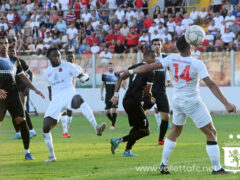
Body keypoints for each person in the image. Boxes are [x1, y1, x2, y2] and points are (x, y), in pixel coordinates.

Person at [118, 35, 236, 174]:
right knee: (211, 132)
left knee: (175, 131)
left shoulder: (171, 58)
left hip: (177, 101)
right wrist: (226, 103)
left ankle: (163, 164)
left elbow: (148, 67)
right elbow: (210, 84)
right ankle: (217, 168)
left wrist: (130, 71)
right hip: (192, 102)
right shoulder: (197, 63)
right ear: (190, 47)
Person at [44, 48, 106, 162]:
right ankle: (52, 156)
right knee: (45, 127)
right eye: (54, 56)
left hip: (69, 93)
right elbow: (50, 90)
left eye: (58, 55)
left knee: (79, 99)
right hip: (56, 100)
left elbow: (82, 76)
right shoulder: (46, 72)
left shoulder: (68, 65)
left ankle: (96, 127)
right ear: (49, 57)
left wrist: (85, 78)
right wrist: (54, 110)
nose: (57, 58)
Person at [0, 36, 45, 160]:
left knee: (22, 120)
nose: (3, 45)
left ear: (9, 45)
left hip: (13, 94)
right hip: (0, 95)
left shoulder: (15, 60)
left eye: (6, 43)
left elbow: (23, 77)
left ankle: (27, 152)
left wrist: (34, 89)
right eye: (1, 43)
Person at [110, 50, 155, 157]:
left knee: (137, 127)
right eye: (154, 59)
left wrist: (115, 95)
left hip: (126, 101)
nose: (155, 61)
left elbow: (121, 77)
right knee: (145, 131)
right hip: (135, 102)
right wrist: (151, 98)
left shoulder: (135, 66)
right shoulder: (150, 71)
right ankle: (117, 141)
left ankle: (127, 151)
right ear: (148, 58)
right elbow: (147, 91)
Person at [142, 39, 171, 145]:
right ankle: (135, 136)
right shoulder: (148, 59)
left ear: (161, 46)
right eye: (155, 44)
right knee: (141, 113)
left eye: (159, 44)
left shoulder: (166, 58)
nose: (157, 46)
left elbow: (172, 71)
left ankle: (161, 139)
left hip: (161, 91)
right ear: (151, 46)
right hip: (148, 91)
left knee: (166, 117)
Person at [8, 44, 37, 140]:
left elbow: (30, 73)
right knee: (13, 111)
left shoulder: (20, 62)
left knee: (22, 110)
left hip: (21, 88)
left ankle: (32, 131)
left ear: (16, 53)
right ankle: (18, 133)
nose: (12, 53)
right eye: (10, 52)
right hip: (11, 89)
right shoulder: (4, 63)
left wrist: (28, 87)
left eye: (13, 52)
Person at [100, 63, 119, 129]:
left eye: (111, 66)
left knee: (114, 110)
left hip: (115, 95)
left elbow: (120, 83)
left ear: (113, 67)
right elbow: (102, 85)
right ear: (107, 68)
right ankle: (112, 120)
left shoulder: (117, 75)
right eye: (109, 66)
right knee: (107, 111)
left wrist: (126, 89)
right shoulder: (104, 75)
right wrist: (101, 95)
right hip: (107, 95)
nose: (110, 67)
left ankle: (112, 125)